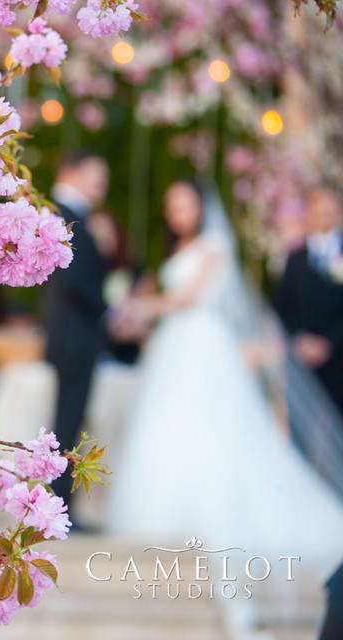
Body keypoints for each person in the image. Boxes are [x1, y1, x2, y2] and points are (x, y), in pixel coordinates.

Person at [105, 180, 343, 577]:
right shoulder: (178, 250)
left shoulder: (214, 247)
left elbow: (187, 300)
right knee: (172, 425)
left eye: (185, 204)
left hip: (203, 343)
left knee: (213, 425)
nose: (178, 213)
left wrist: (138, 306)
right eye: (172, 206)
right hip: (175, 345)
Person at [42, 150, 110, 507]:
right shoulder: (64, 216)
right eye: (97, 175)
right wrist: (110, 311)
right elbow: (75, 282)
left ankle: (60, 502)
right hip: (74, 337)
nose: (102, 185)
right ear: (72, 171)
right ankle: (59, 503)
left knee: (70, 421)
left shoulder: (71, 215)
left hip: (73, 336)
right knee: (68, 423)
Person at [276, 186, 343, 415]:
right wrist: (299, 338)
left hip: (339, 357)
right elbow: (283, 306)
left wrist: (329, 343)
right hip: (301, 359)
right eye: (317, 206)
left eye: (329, 207)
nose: (323, 211)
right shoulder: (295, 259)